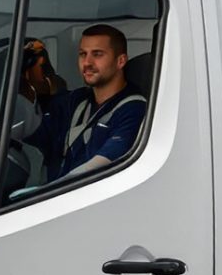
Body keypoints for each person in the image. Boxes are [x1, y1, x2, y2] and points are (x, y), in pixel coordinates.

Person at [28, 25, 148, 180]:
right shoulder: (75, 100)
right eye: (82, 54)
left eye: (97, 54)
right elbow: (33, 133)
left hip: (84, 197)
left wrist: (45, 194)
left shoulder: (134, 109)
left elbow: (102, 164)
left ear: (121, 61)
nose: (87, 62)